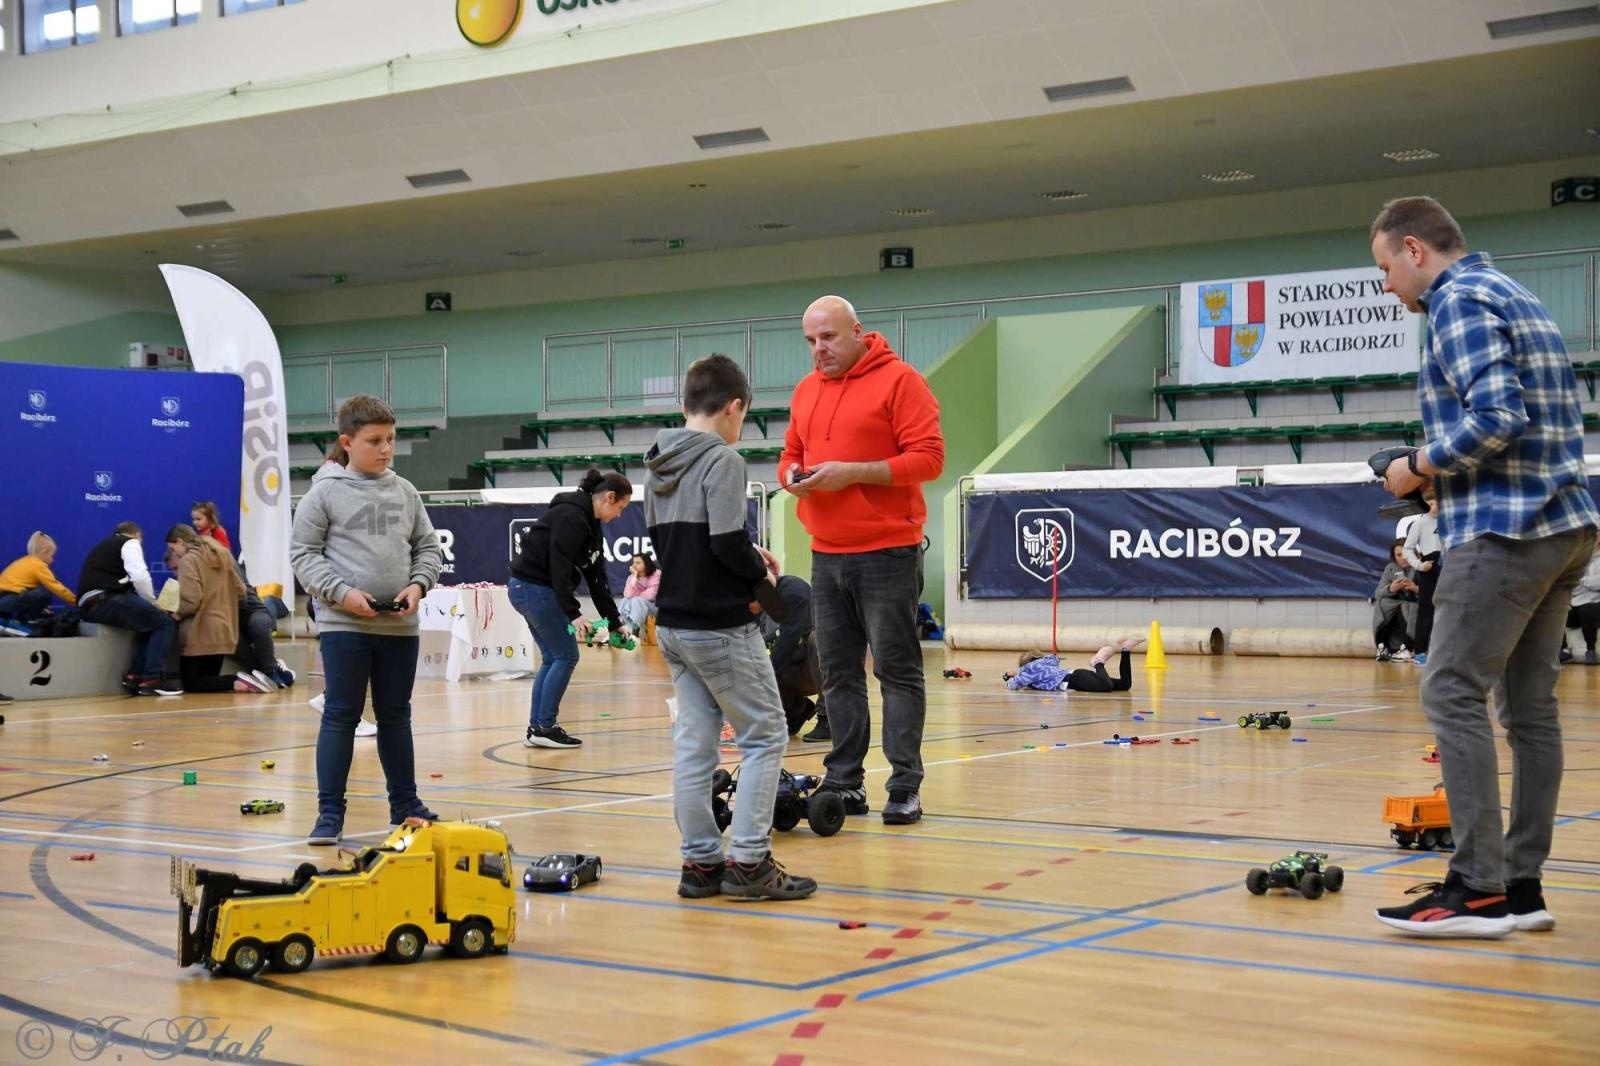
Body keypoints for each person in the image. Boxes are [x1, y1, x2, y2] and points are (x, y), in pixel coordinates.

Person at [1371, 195, 1597, 938]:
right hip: (1563, 526)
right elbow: (1526, 420)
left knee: (1451, 691)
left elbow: (1497, 418)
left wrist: (1413, 466)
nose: (1386, 288)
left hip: (1505, 533)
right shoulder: (1512, 293)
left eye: (1384, 270)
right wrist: (1445, 473)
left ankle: (1476, 885)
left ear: (1414, 249)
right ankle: (1521, 886)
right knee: (1530, 713)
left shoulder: (1457, 301)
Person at [646, 353, 815, 901]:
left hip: (672, 624)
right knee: (765, 735)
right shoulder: (722, 460)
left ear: (686, 404)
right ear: (735, 407)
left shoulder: (656, 464)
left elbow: (674, 547)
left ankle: (700, 866)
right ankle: (748, 862)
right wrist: (765, 583)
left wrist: (744, 549)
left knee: (694, 749)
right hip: (719, 627)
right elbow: (722, 543)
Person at [779, 295, 945, 825]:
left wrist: (852, 472)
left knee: (897, 671)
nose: (818, 350)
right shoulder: (806, 391)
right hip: (826, 554)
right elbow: (790, 454)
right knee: (836, 674)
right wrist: (791, 476)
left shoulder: (901, 382)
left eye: (827, 338)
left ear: (856, 331)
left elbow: (929, 458)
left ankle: (904, 786)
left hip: (888, 553)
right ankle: (844, 782)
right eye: (810, 340)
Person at [291, 394, 443, 845]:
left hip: (398, 628)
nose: (386, 449)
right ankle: (329, 814)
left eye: (391, 439)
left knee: (396, 716)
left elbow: (428, 549)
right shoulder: (324, 493)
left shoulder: (406, 492)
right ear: (347, 442)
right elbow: (303, 554)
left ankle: (406, 805)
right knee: (341, 715)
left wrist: (418, 586)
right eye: (375, 440)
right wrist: (342, 594)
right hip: (345, 627)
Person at [508, 467, 633, 749]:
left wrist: (615, 621)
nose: (620, 514)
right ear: (608, 497)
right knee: (565, 656)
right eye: (621, 507)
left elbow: (596, 578)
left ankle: (538, 727)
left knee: (554, 658)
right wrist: (574, 613)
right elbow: (559, 567)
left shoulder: (590, 524)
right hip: (534, 588)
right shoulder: (571, 516)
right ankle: (543, 727)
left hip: (529, 589)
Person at [304, 440, 376, 737]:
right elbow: (309, 550)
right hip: (334, 593)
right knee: (347, 660)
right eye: (373, 442)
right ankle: (338, 707)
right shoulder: (329, 491)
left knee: (358, 661)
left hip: (346, 592)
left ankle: (333, 701)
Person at [76, 521, 179, 697]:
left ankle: (135, 675)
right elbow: (140, 577)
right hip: (106, 598)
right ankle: (152, 679)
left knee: (149, 625)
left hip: (89, 605)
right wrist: (153, 603)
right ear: (136, 535)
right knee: (164, 623)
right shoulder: (129, 542)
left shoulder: (105, 548)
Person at [163, 525, 269, 694]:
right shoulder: (220, 555)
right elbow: (241, 591)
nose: (173, 552)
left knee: (191, 683)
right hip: (224, 629)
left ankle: (238, 684)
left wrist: (176, 614)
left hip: (200, 632)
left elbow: (191, 600)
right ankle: (244, 681)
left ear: (180, 541)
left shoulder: (188, 560)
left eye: (172, 547)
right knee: (207, 679)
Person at [753, 574, 825, 736]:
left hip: (815, 663)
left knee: (818, 640)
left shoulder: (793, 591)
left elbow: (788, 642)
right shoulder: (748, 610)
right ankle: (796, 710)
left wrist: (763, 681)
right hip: (792, 666)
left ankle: (828, 717)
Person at [0, 531, 76, 628]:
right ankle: (21, 622)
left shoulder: (23, 561)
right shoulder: (39, 566)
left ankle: (5, 618)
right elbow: (56, 587)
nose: (52, 560)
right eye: (52, 555)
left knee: (35, 592)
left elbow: (19, 590)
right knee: (44, 594)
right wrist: (75, 601)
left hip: (4, 600)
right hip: (9, 601)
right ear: (44, 552)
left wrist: (38, 608)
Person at [1004, 639, 1141, 692]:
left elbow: (1014, 686)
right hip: (1079, 674)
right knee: (1124, 685)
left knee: (1107, 687)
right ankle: (1126, 649)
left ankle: (1097, 662)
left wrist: (1012, 676)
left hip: (1074, 680)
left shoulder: (1027, 670)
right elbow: (1054, 659)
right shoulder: (1047, 660)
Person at [1401, 492, 1442, 665]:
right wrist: (1419, 565)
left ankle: (1440, 651)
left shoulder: (1449, 521)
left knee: (1446, 611)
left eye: (1438, 502)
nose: (1435, 506)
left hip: (1447, 566)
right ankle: (1420, 652)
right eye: (1431, 502)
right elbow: (1407, 549)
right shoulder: (1420, 523)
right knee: (1426, 611)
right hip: (1428, 568)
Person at [1373, 540, 1419, 662]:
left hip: (1415, 603)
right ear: (1394, 557)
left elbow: (1432, 593)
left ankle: (1408, 647)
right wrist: (1391, 588)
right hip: (1396, 604)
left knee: (1406, 606)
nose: (1403, 558)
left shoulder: (1420, 566)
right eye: (1399, 555)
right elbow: (1378, 593)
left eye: (1405, 554)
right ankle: (1382, 646)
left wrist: (1415, 588)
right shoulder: (1390, 568)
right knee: (1382, 604)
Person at [1561, 530, 1600, 664]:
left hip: (1595, 604)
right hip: (1576, 602)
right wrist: (1587, 581)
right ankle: (1564, 650)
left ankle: (1591, 650)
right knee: (1559, 610)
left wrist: (1582, 580)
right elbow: (1570, 584)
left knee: (1587, 609)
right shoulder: (1578, 561)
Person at [618, 552, 660, 634]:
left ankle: (635, 628)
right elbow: (627, 595)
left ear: (646, 564)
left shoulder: (657, 574)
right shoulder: (631, 577)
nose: (634, 565)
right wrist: (635, 577)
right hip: (638, 607)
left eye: (638, 563)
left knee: (636, 600)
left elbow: (651, 596)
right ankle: (618, 626)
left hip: (655, 608)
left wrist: (636, 594)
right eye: (633, 562)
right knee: (625, 601)